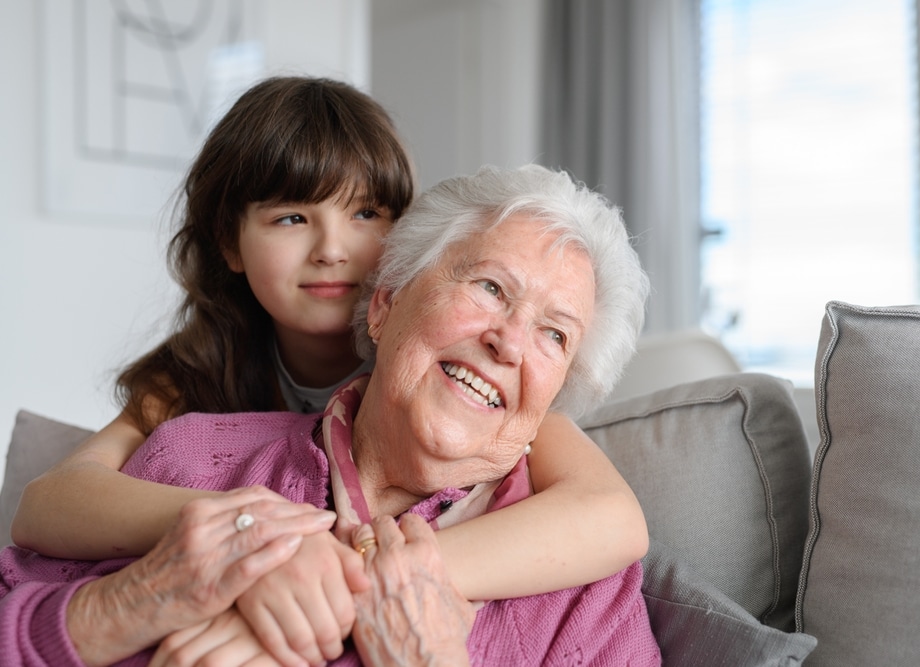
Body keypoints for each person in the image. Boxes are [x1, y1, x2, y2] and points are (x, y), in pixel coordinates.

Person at [9, 78, 648, 665]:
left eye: (365, 214)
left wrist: (354, 578)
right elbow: (51, 502)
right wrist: (250, 536)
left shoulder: (499, 410)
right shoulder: (192, 402)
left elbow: (611, 516)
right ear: (387, 303)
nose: (333, 250)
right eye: (292, 217)